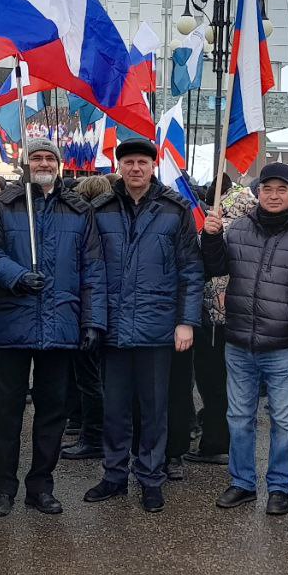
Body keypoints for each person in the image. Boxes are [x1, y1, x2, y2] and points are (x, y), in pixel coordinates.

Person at [0, 138, 107, 516]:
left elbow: (92, 270)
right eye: (37, 157)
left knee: (52, 411)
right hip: (12, 323)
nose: (44, 162)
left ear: (60, 164)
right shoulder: (3, 204)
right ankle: (3, 487)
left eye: (50, 157)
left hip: (61, 324)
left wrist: (93, 320)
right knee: (6, 412)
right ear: (25, 163)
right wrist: (15, 276)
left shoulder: (78, 210)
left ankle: (41, 486)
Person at [201, 162, 288, 515]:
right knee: (239, 417)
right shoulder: (240, 227)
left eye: (281, 189)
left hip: (285, 345)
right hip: (240, 341)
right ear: (257, 192)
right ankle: (242, 482)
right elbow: (215, 268)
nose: (273, 195)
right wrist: (211, 237)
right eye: (267, 189)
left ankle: (279, 487)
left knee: (285, 420)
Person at [85, 139, 203, 513]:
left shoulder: (174, 209)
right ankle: (115, 475)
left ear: (153, 166)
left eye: (143, 162)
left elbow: (191, 270)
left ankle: (151, 478)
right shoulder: (99, 209)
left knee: (154, 408)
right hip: (114, 327)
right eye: (129, 162)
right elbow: (90, 268)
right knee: (115, 408)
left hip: (158, 325)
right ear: (119, 166)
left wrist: (187, 321)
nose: (136, 168)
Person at [189, 180, 253, 466]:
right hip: (243, 316)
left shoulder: (220, 223)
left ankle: (215, 442)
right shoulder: (253, 220)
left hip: (215, 316)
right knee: (235, 387)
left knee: (214, 383)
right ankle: (230, 442)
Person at [60, 173, 112, 463]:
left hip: (88, 307)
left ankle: (94, 437)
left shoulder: (88, 221)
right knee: (95, 378)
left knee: (90, 379)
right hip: (97, 307)